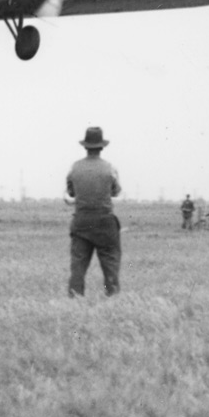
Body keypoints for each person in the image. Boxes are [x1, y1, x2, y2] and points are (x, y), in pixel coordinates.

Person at [65, 125, 122, 297]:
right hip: (105, 223)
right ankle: (111, 298)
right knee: (110, 267)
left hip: (81, 222)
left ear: (85, 146)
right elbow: (116, 191)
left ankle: (75, 300)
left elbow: (70, 192)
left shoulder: (74, 168)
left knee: (78, 268)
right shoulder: (110, 168)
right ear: (102, 147)